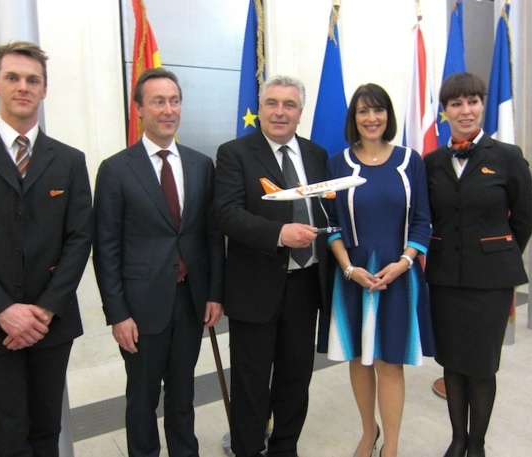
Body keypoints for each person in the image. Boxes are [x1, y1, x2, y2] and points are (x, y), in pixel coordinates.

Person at [0, 41, 93, 456]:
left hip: (51, 324)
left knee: (46, 429)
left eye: (33, 80)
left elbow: (79, 238)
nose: (23, 87)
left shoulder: (69, 160)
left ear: (45, 90)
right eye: (13, 77)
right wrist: (4, 311)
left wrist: (46, 309)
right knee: (8, 432)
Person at [93, 67, 224, 457]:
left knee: (183, 397)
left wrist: (214, 293)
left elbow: (211, 237)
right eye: (157, 101)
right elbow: (106, 248)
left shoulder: (201, 165)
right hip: (140, 309)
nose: (168, 110)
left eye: (174, 101)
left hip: (190, 302)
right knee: (142, 402)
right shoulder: (116, 169)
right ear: (139, 109)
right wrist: (118, 313)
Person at [215, 75, 330, 457]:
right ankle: (247, 450)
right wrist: (280, 233)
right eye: (272, 103)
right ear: (260, 108)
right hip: (255, 286)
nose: (280, 112)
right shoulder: (235, 153)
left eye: (289, 105)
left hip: (305, 286)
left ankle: (285, 449)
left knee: (295, 380)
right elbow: (228, 215)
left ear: (300, 113)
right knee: (251, 382)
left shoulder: (316, 155)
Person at [424, 72, 532, 457]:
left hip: (490, 281)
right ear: (445, 112)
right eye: (456, 104)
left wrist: (496, 254)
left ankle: (477, 444)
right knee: (453, 363)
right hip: (444, 280)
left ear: (483, 104)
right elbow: (426, 217)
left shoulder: (507, 157)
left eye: (472, 101)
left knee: (482, 366)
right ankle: (457, 439)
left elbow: (524, 219)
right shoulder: (432, 162)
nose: (465, 110)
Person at [321, 83, 435, 457]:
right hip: (353, 277)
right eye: (363, 112)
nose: (372, 119)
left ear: (388, 115)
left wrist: (403, 263)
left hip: (398, 277)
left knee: (389, 361)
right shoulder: (338, 163)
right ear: (354, 119)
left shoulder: (409, 160)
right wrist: (349, 268)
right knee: (359, 358)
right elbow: (332, 224)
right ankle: (368, 433)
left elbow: (422, 220)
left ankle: (392, 446)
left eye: (378, 110)